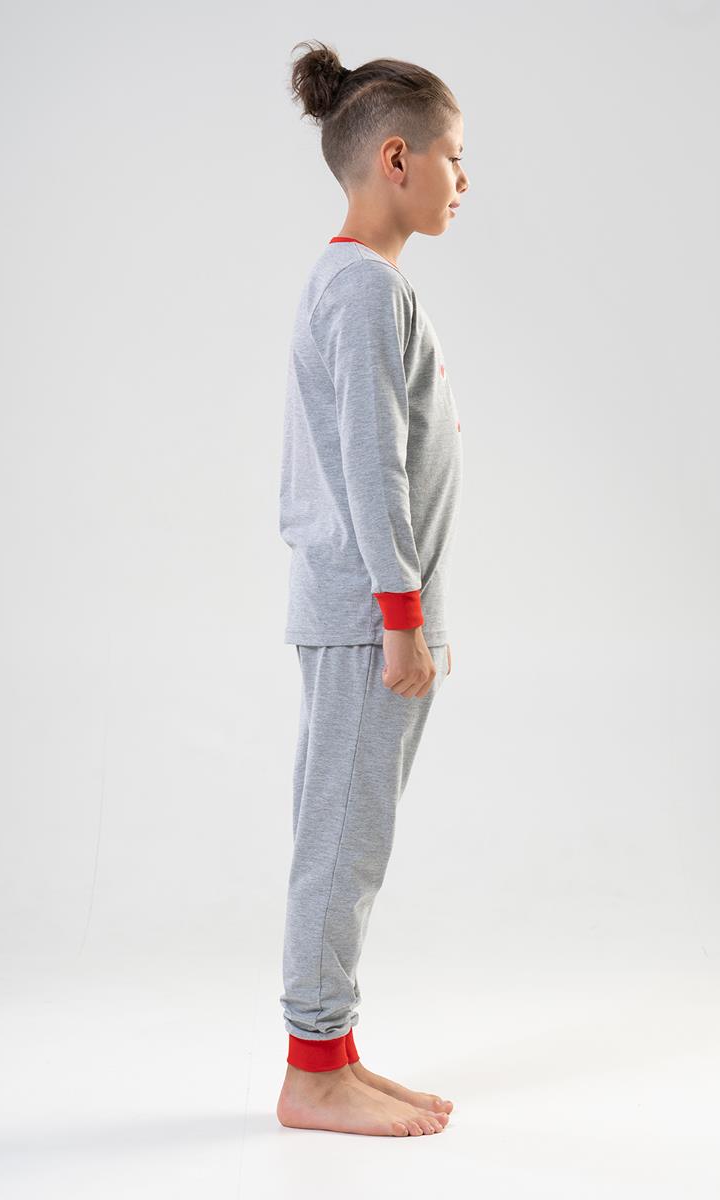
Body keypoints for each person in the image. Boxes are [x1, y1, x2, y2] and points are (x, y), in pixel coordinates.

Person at [276, 40, 469, 1137]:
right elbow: (368, 462)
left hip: (371, 616)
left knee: (353, 838)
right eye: (454, 156)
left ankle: (334, 1052)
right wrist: (400, 616)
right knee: (341, 847)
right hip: (367, 619)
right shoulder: (359, 287)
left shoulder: (370, 285)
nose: (462, 179)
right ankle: (311, 1071)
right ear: (396, 158)